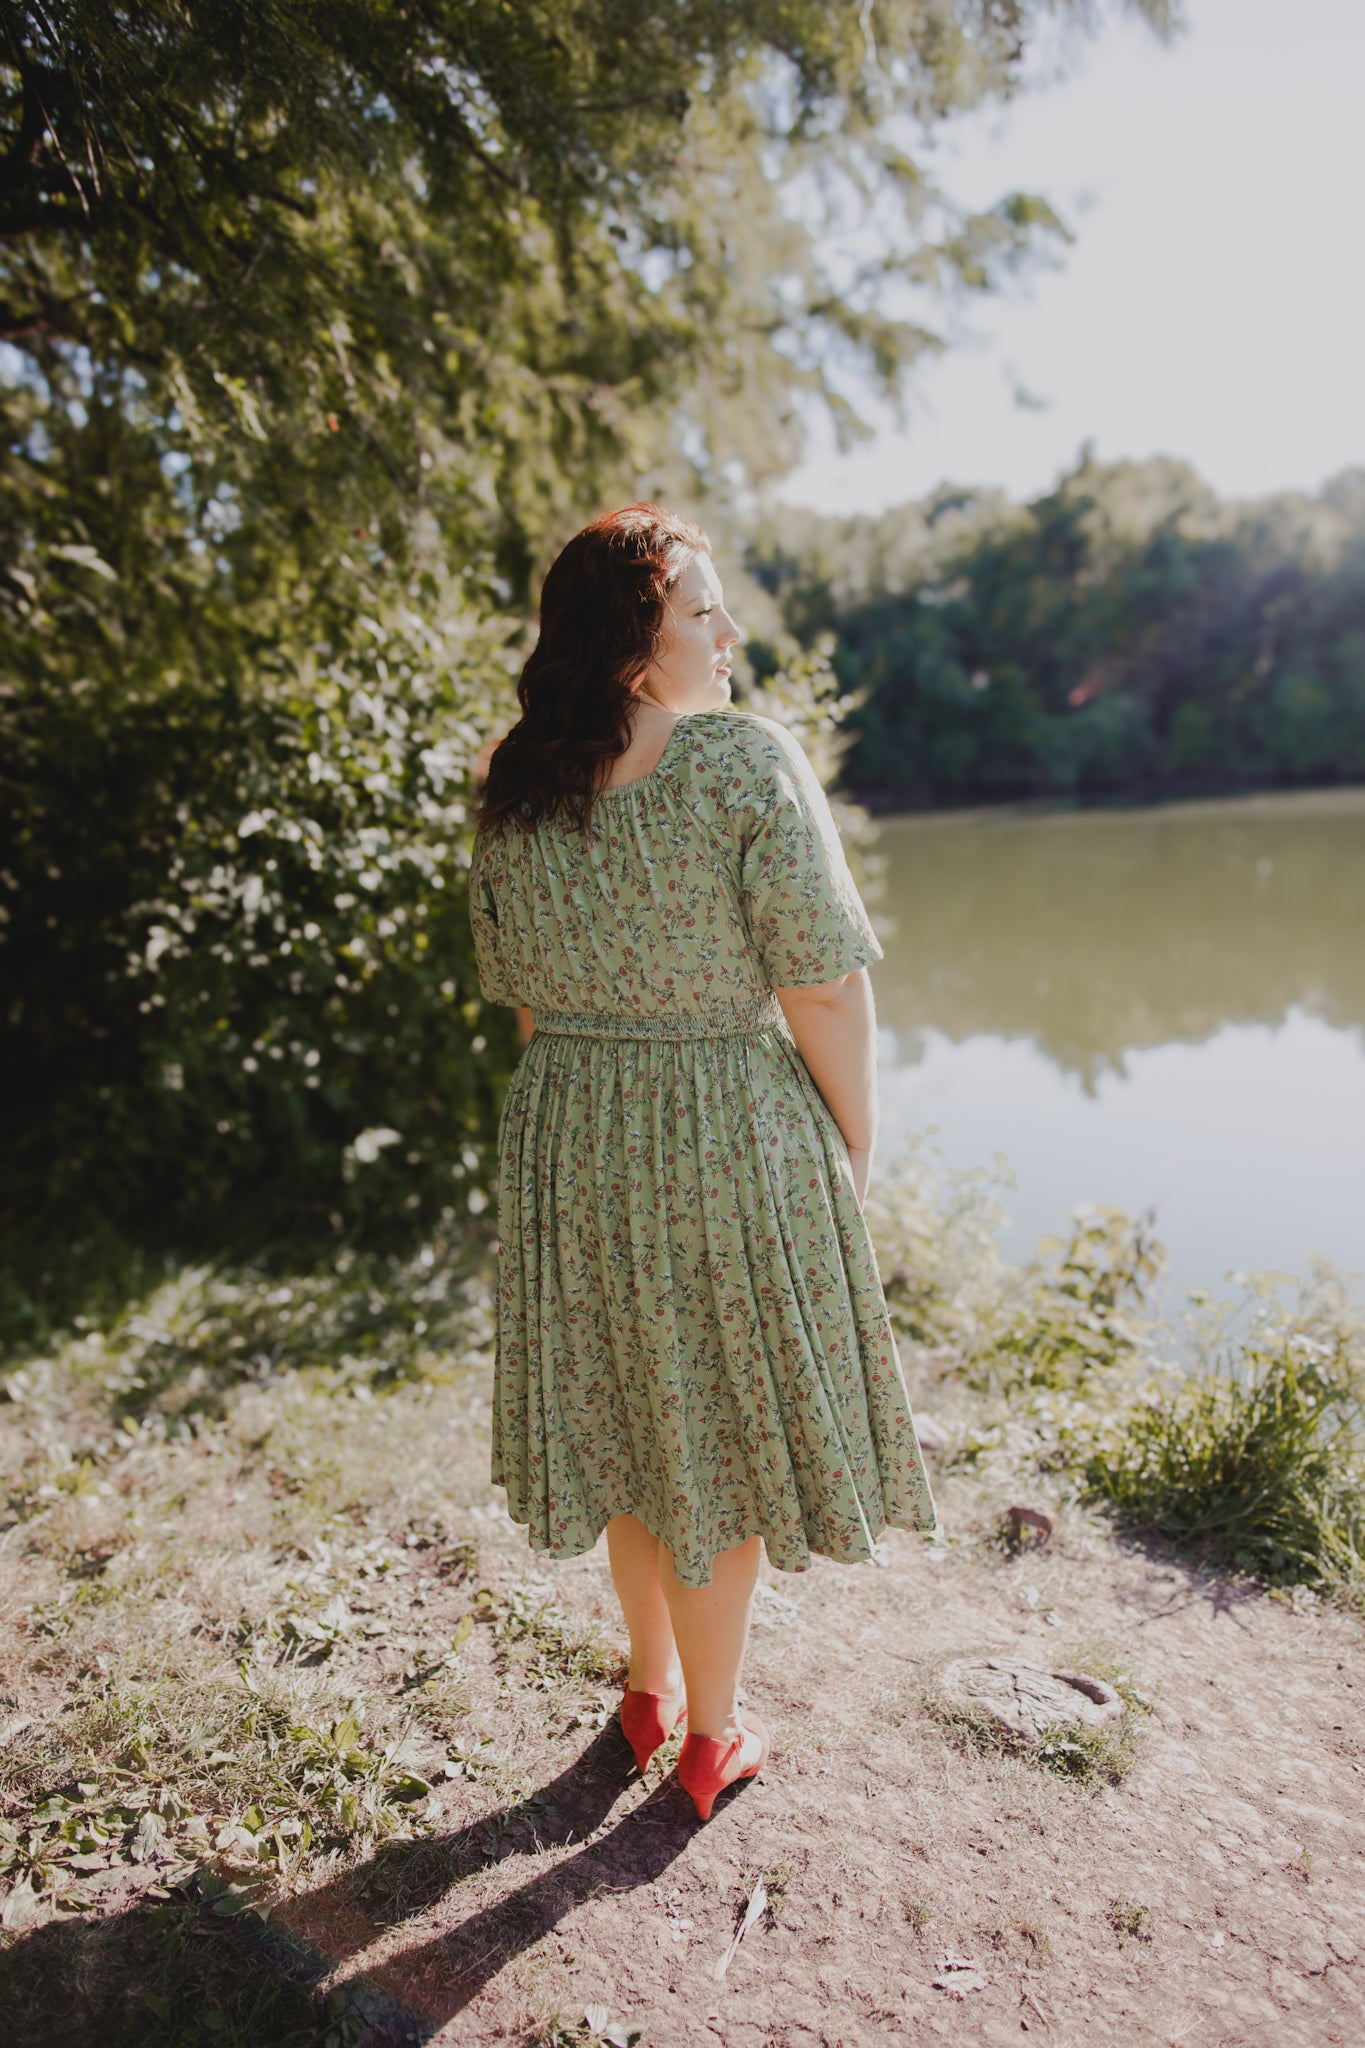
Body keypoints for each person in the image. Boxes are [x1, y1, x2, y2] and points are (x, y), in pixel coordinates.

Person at [468, 503, 937, 1823]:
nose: (731, 632)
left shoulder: (514, 779)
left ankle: (645, 1691)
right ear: (633, 647)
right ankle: (710, 1739)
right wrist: (851, 1138)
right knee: (714, 1439)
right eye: (703, 612)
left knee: (629, 1414)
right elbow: (825, 987)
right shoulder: (739, 762)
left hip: (571, 1123)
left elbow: (522, 1000)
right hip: (720, 1125)